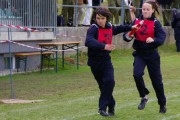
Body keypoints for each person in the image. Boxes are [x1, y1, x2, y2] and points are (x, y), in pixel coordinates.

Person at [85, 7, 136, 116]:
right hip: (95, 62)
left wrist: (131, 26)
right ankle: (111, 105)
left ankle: (102, 108)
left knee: (110, 82)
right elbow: (88, 41)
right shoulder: (93, 28)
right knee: (103, 86)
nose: (100, 20)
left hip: (106, 61)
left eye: (102, 18)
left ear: (106, 19)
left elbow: (119, 28)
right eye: (97, 18)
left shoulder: (109, 27)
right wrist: (104, 46)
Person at [123, 0, 167, 113]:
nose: (145, 11)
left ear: (152, 10)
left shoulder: (156, 23)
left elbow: (162, 38)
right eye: (143, 9)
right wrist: (129, 34)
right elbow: (127, 36)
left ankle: (162, 104)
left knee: (156, 82)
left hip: (152, 55)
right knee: (137, 74)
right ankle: (144, 96)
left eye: (148, 9)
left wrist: (154, 39)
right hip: (140, 54)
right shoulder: (137, 21)